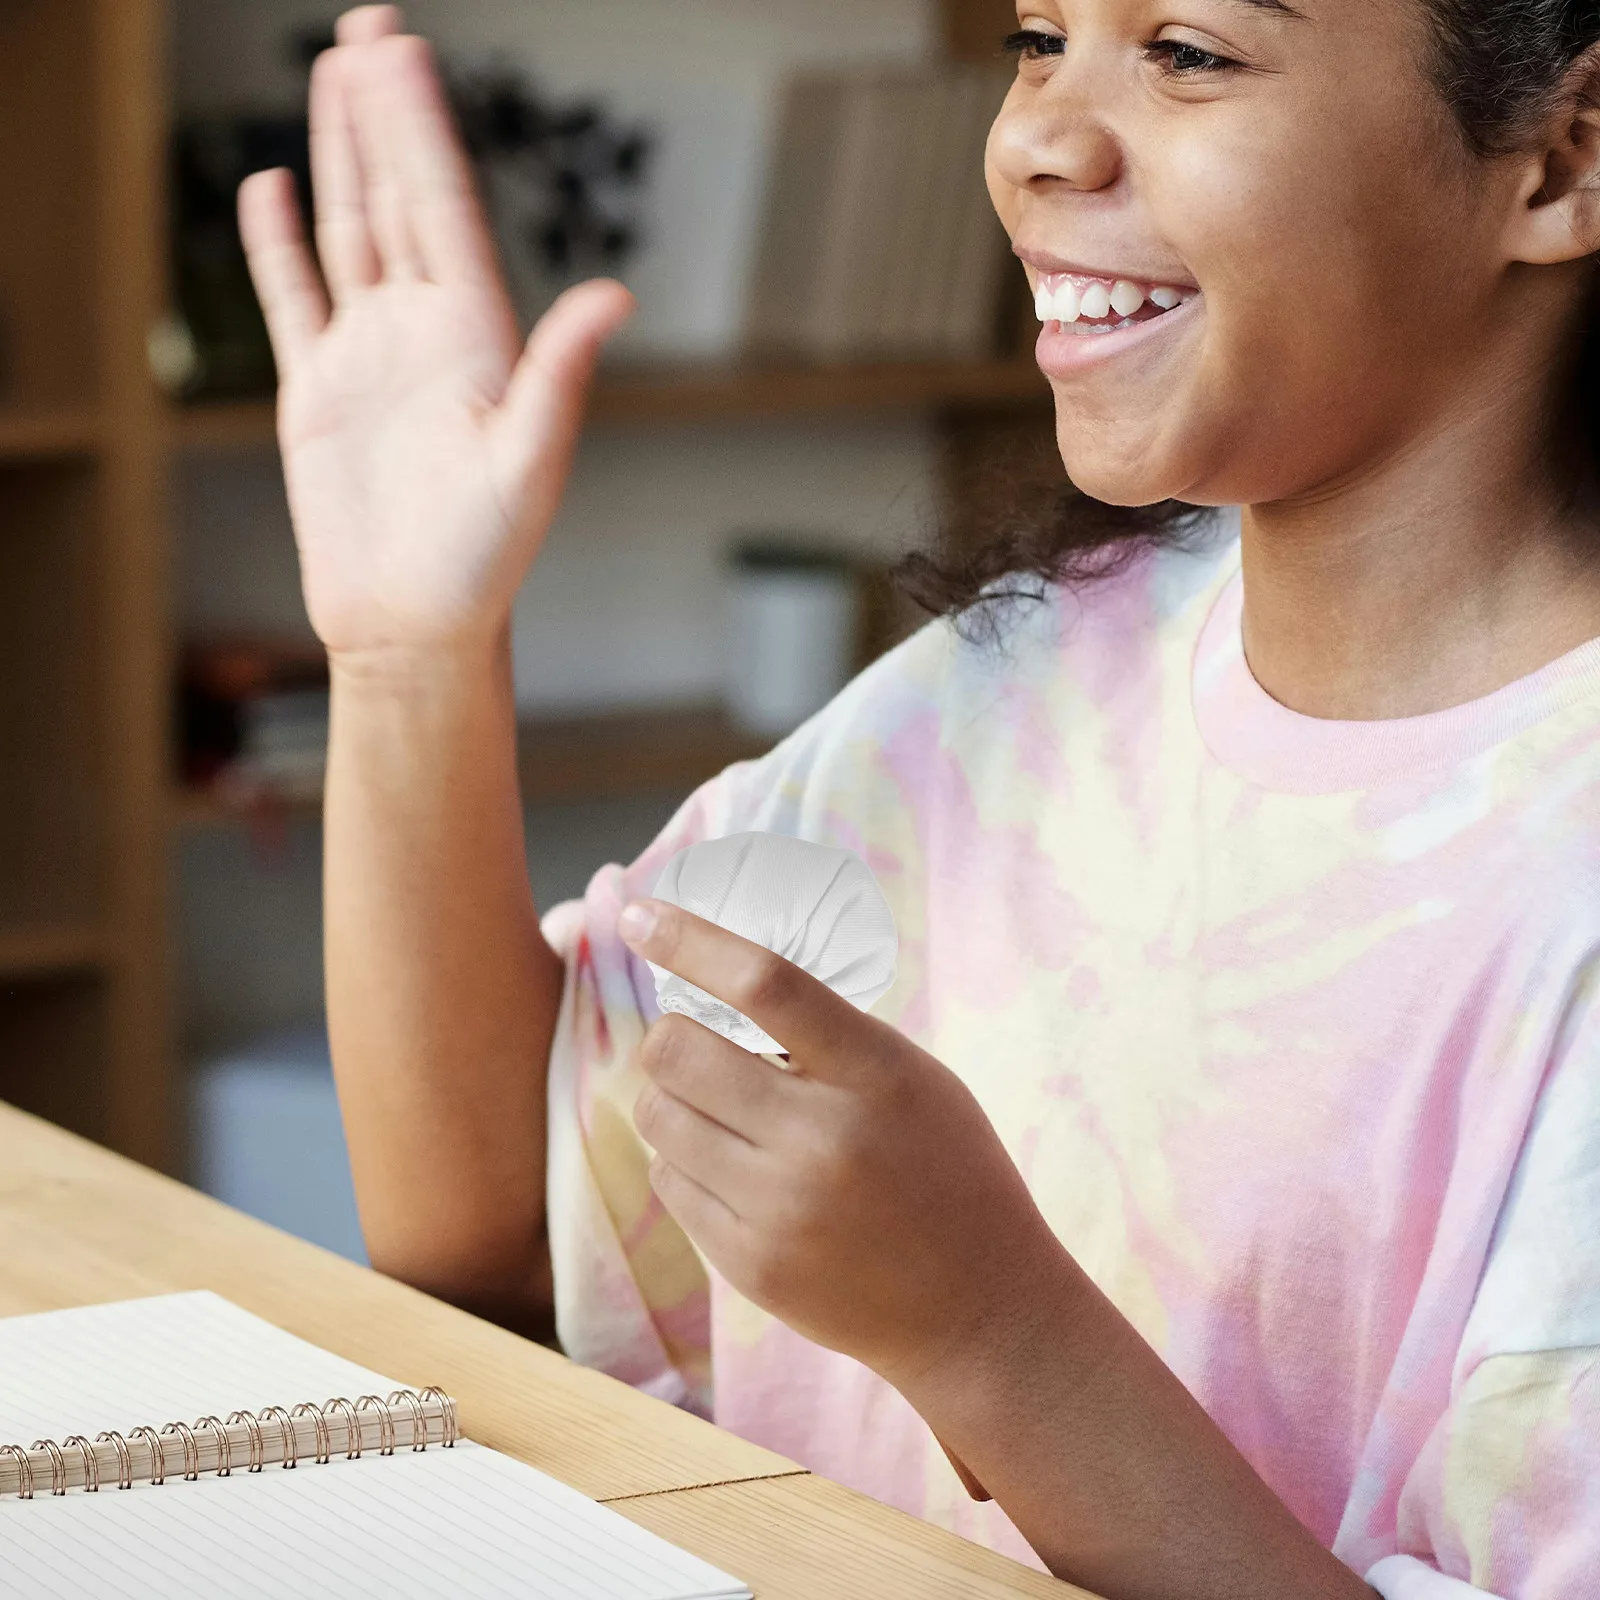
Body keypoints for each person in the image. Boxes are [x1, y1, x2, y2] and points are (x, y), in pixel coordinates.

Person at [238, 3, 1600, 1596]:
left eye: (1188, 51)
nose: (1035, 140)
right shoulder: (1014, 686)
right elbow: (508, 1235)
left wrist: (995, 1337)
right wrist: (410, 658)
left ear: (1561, 158)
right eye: (1039, 37)